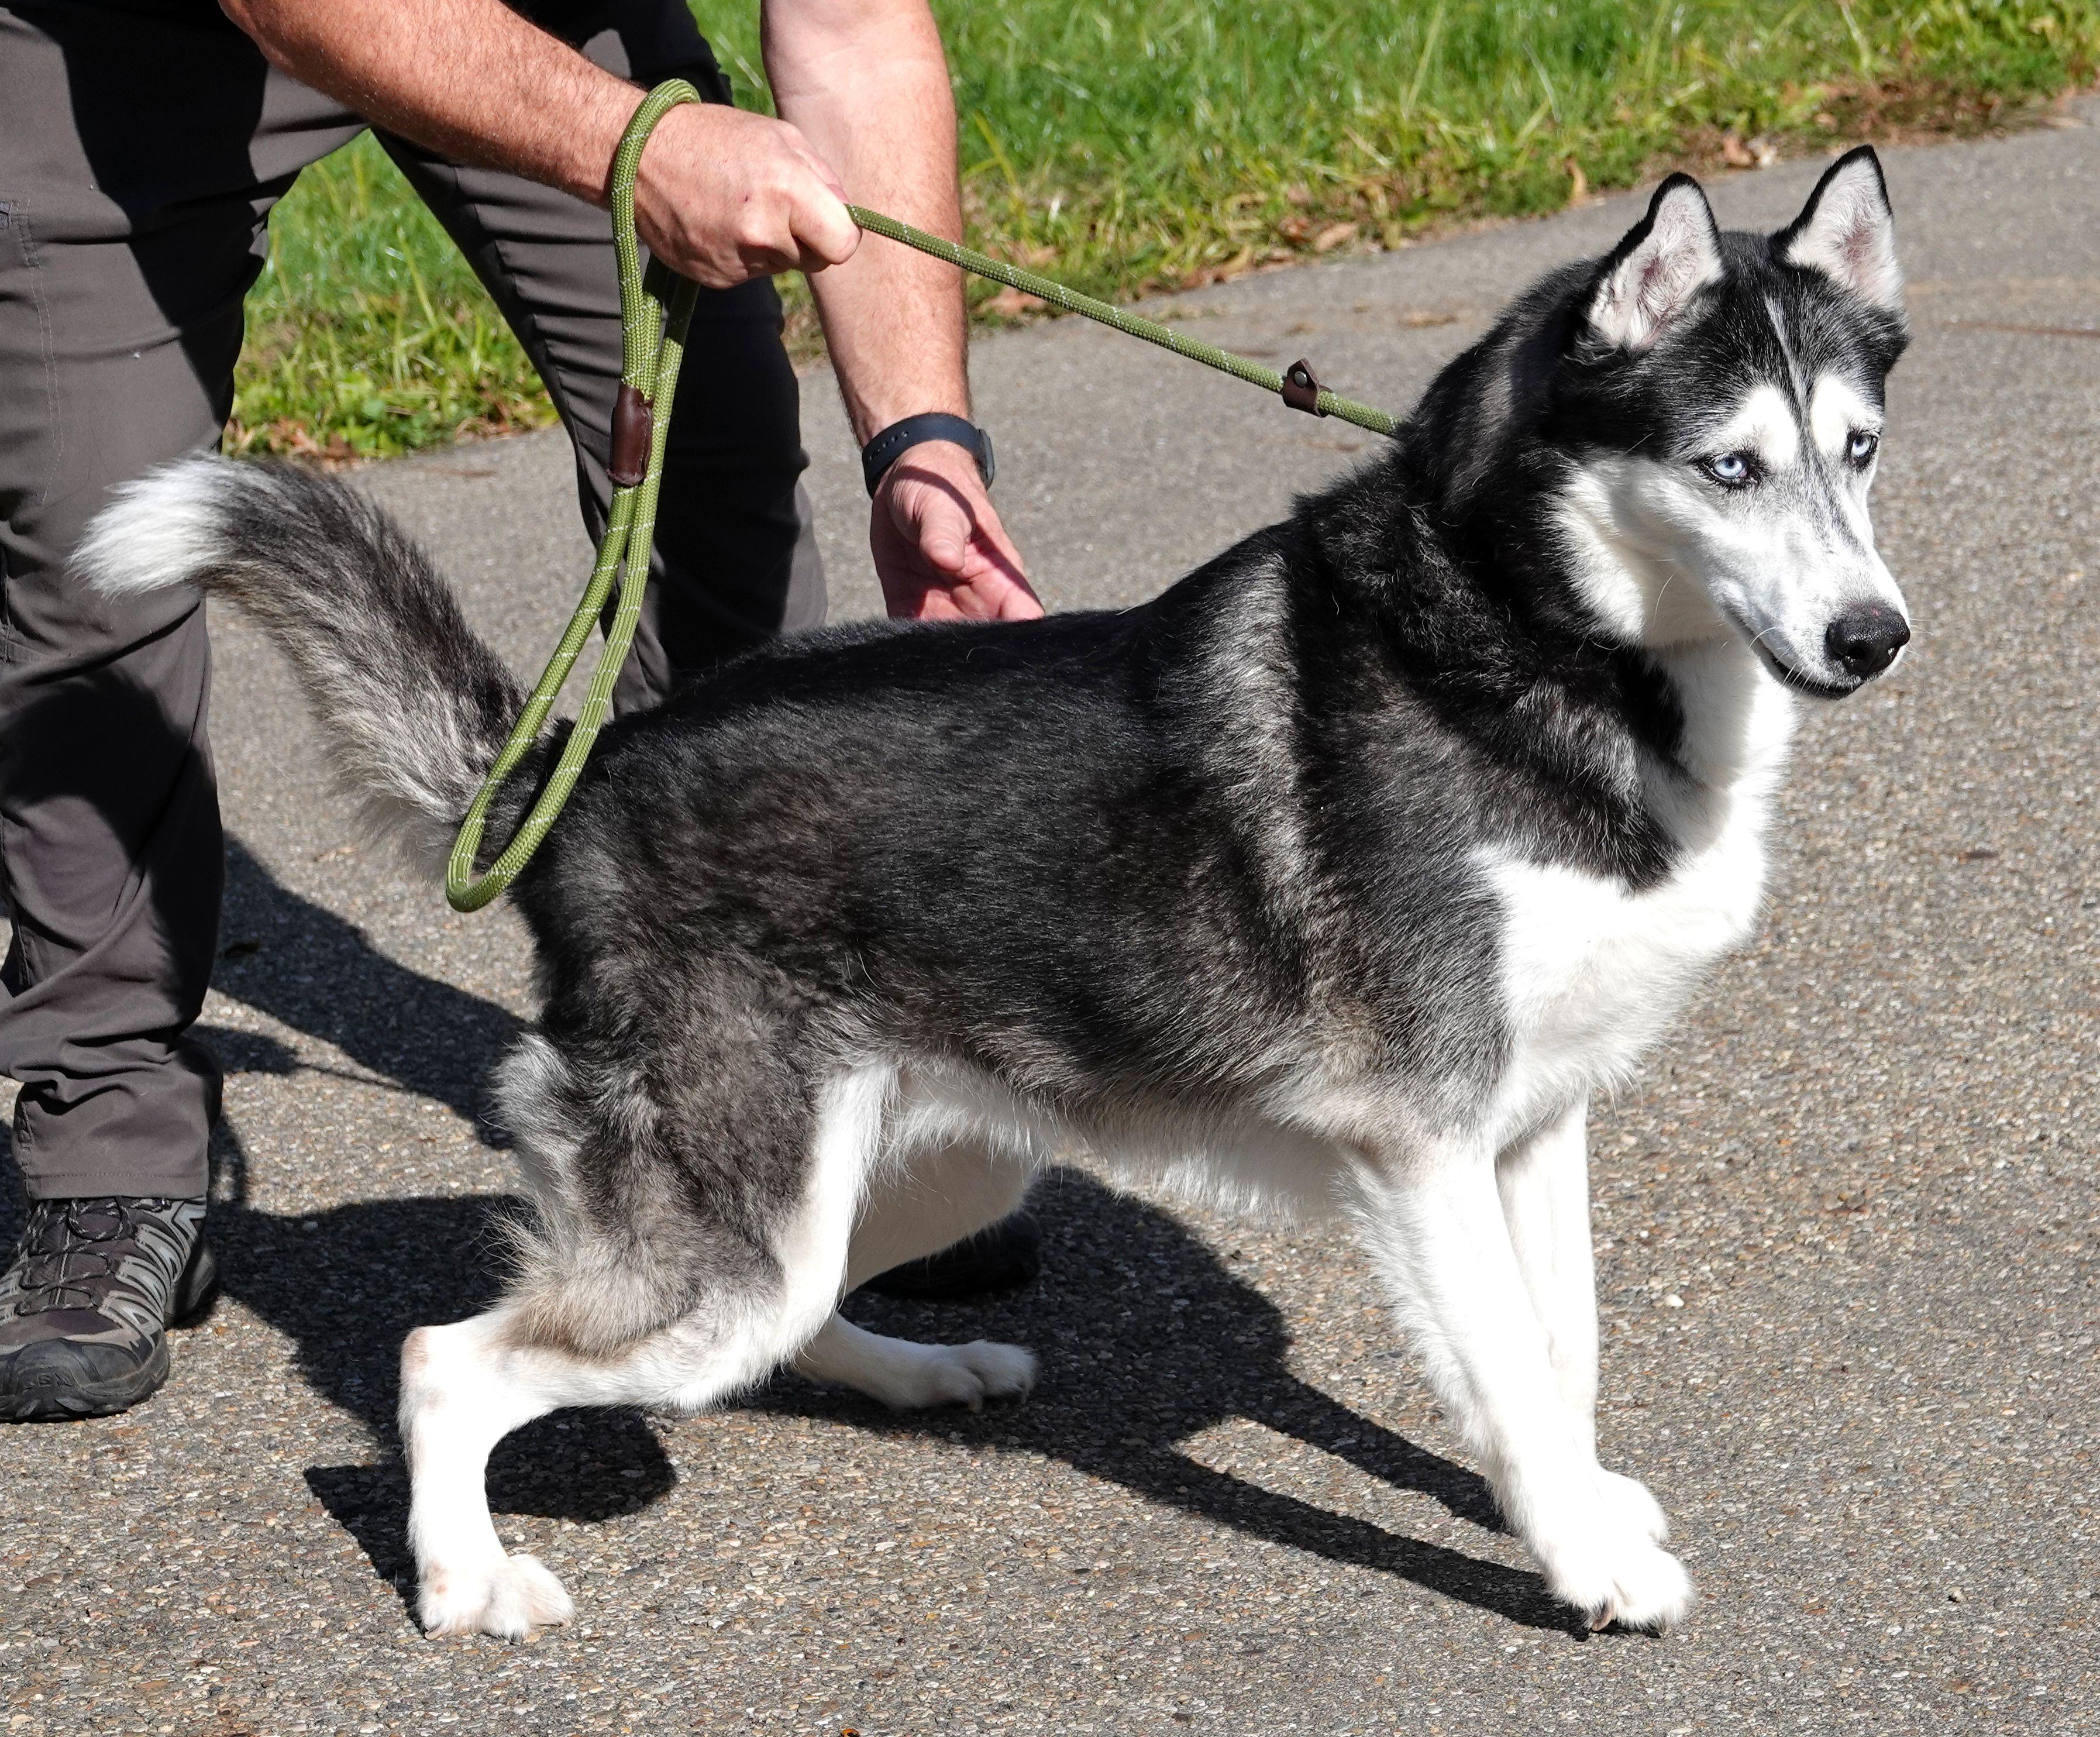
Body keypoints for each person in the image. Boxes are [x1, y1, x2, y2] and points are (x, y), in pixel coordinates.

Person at [0, 0, 1041, 1422]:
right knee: (85, 559)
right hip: (124, 42)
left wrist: (923, 447)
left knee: (716, 457)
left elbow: (852, 29)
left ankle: (791, 1099)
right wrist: (633, 143)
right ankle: (107, 1146)